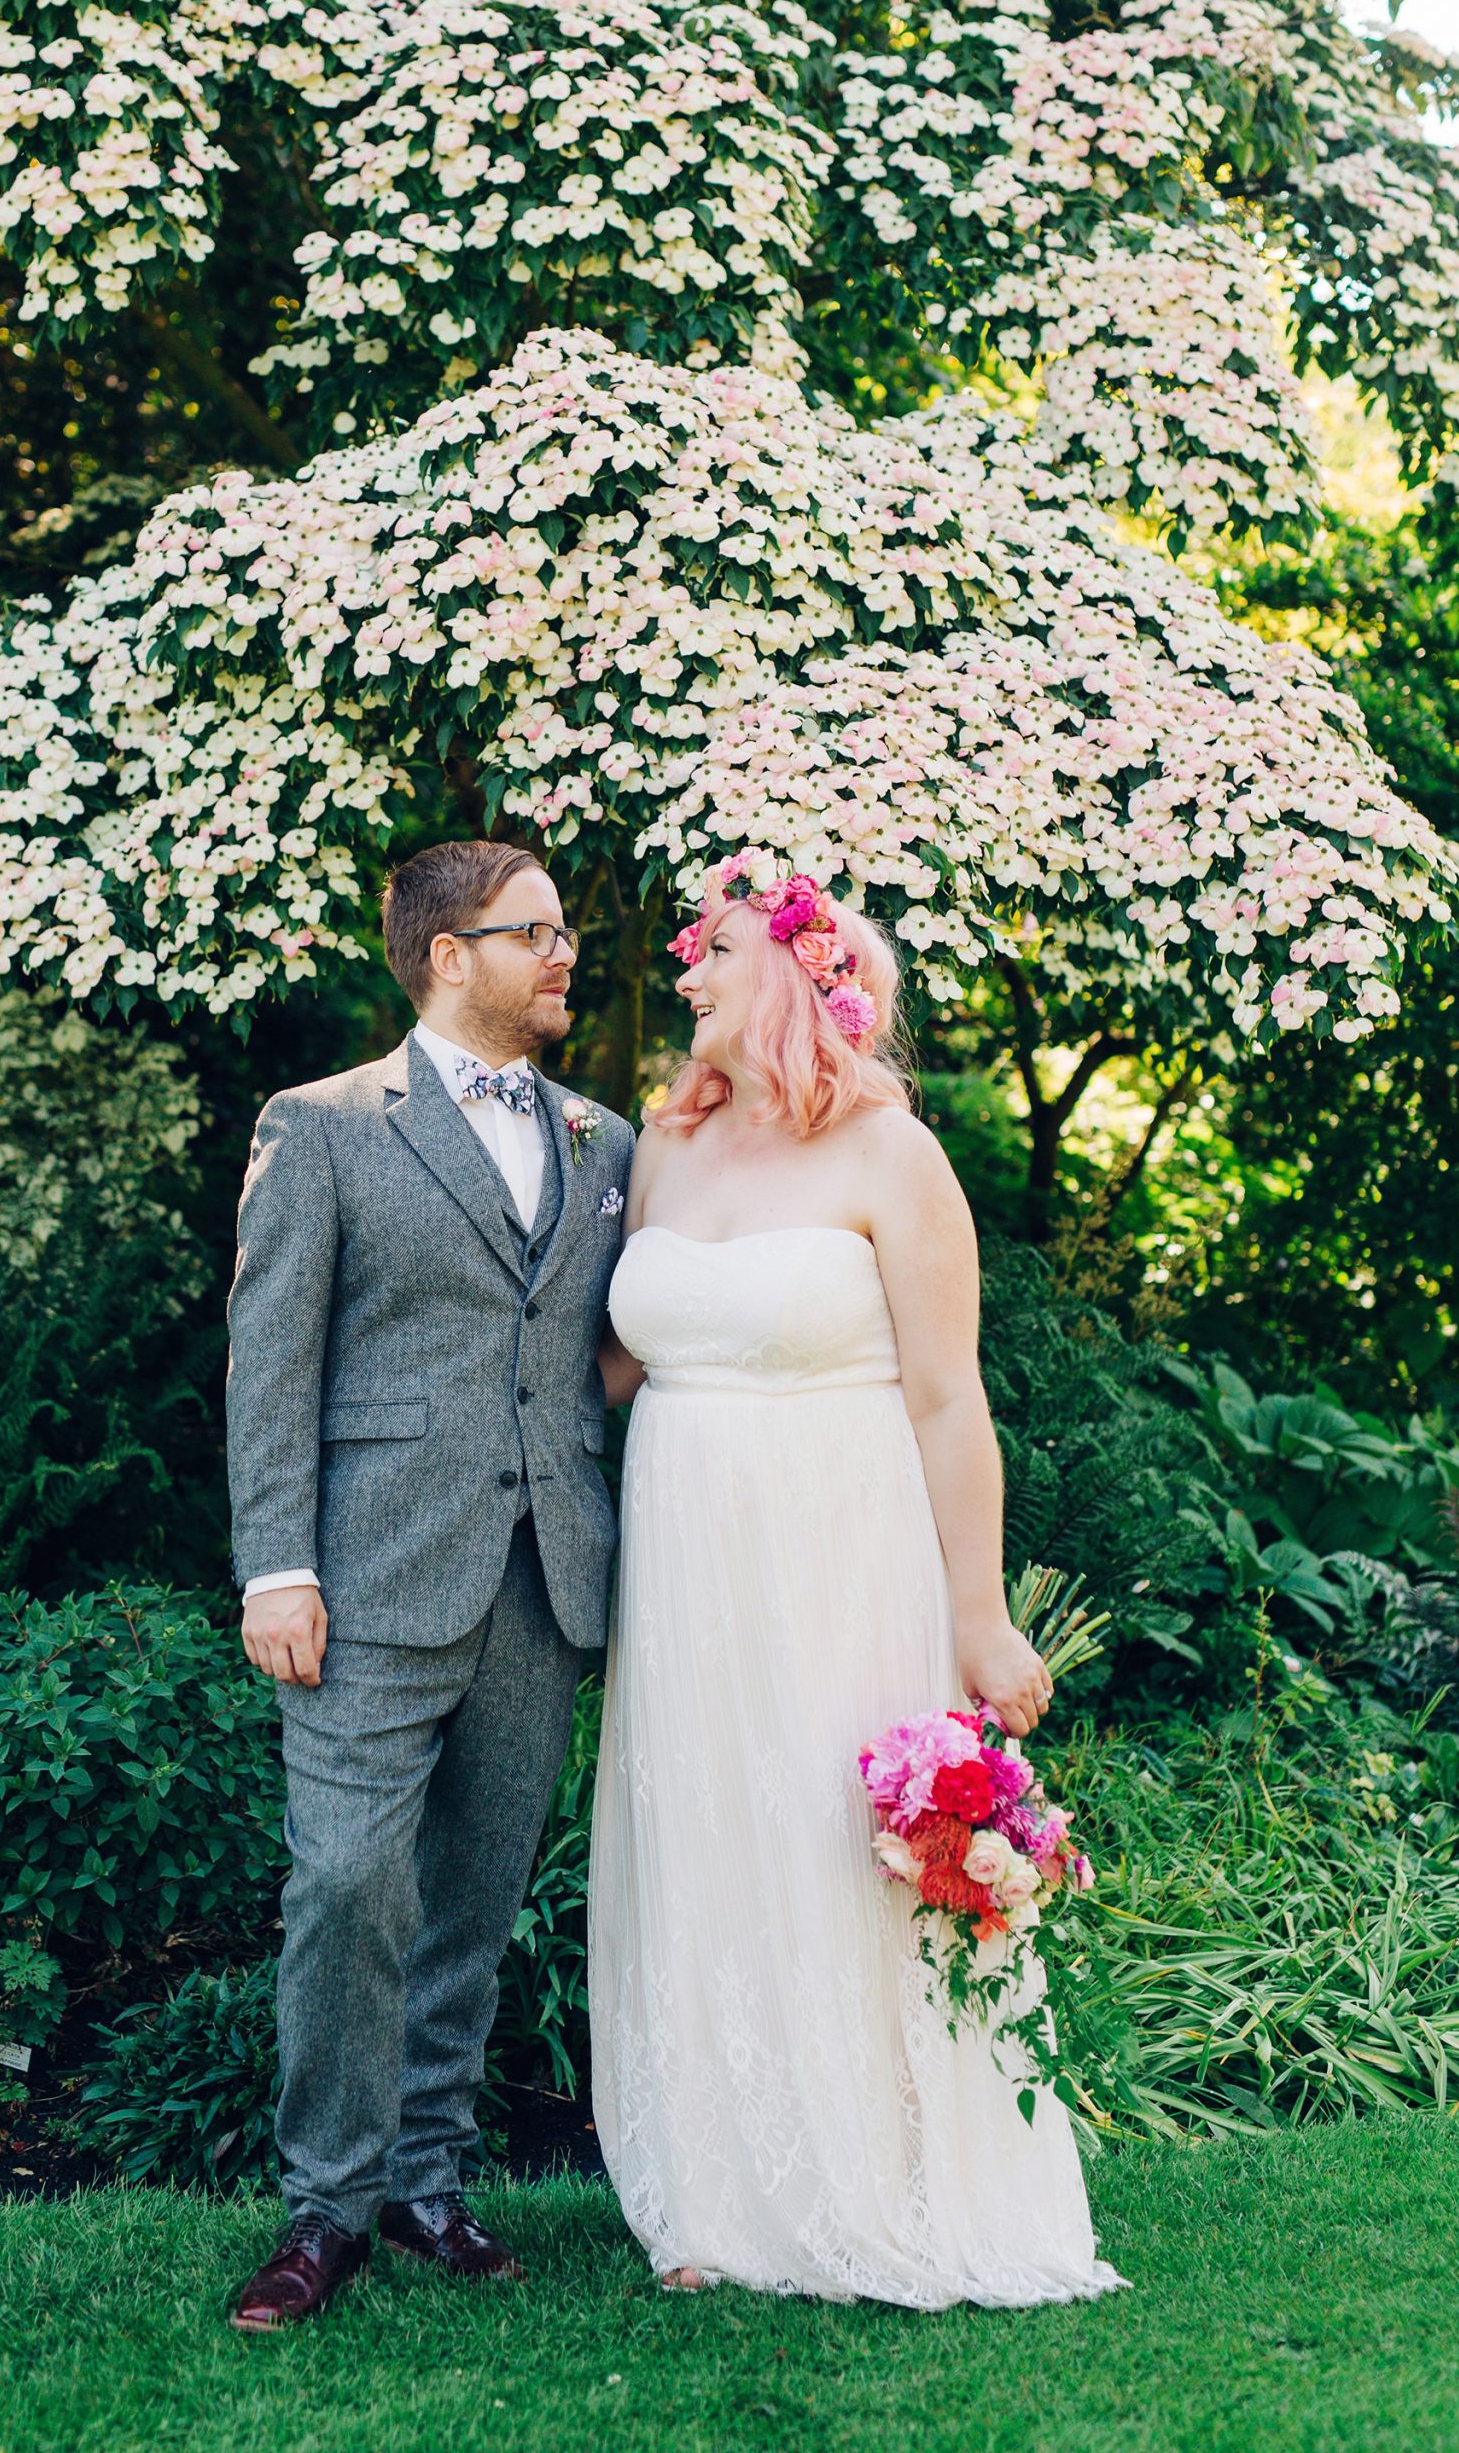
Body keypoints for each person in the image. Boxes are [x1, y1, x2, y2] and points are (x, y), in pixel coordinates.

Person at [589, 851, 1123, 2308]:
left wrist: (979, 1612)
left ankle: (875, 2179)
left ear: (792, 977)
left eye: (712, 950)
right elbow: (619, 1365)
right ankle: (711, 2188)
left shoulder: (894, 1156)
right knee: (704, 1828)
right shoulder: (662, 1148)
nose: (686, 970)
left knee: (831, 1839)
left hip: (837, 1537)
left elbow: (951, 1401)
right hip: (686, 1548)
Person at [225, 839, 635, 2332]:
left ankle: (426, 2182)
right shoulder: (323, 1125)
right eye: (537, 932)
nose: (565, 953)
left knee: (472, 1895)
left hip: (546, 1575)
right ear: (449, 953)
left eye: (567, 930)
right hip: (366, 1573)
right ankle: (322, 2209)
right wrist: (278, 1564)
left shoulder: (609, 1140)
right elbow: (271, 1355)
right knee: (345, 1886)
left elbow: (607, 1334)